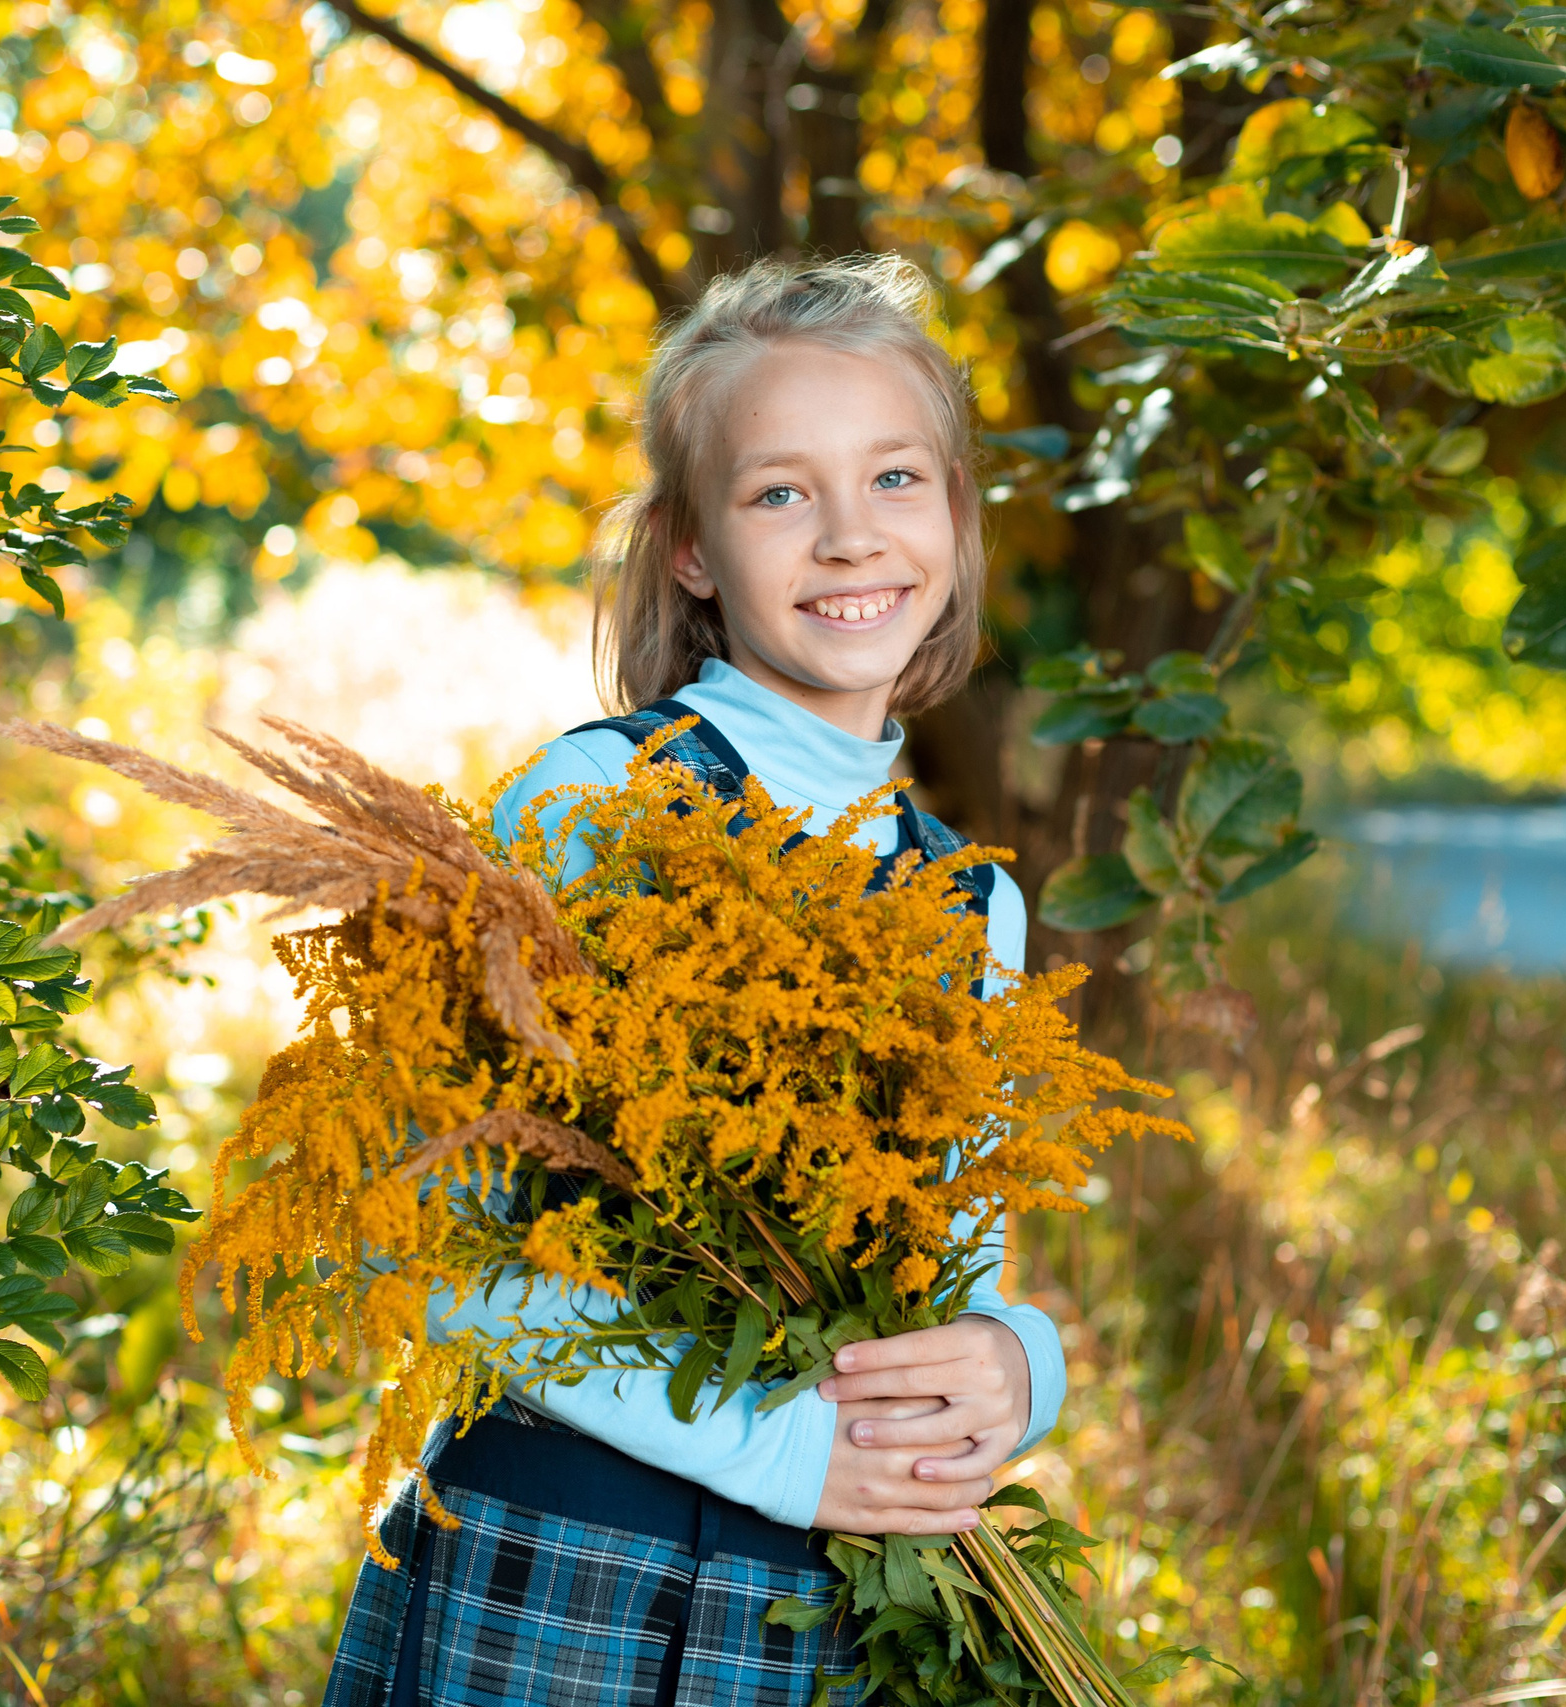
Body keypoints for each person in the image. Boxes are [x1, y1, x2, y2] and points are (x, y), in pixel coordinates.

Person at [322, 254, 1065, 1707]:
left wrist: (1015, 1359)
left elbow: (948, 1279)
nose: (853, 538)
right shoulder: (592, 811)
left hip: (835, 1617)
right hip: (563, 1580)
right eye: (781, 493)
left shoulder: (977, 905)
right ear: (692, 550)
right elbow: (442, 1239)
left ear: (960, 523)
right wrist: (781, 1450)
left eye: (899, 479)